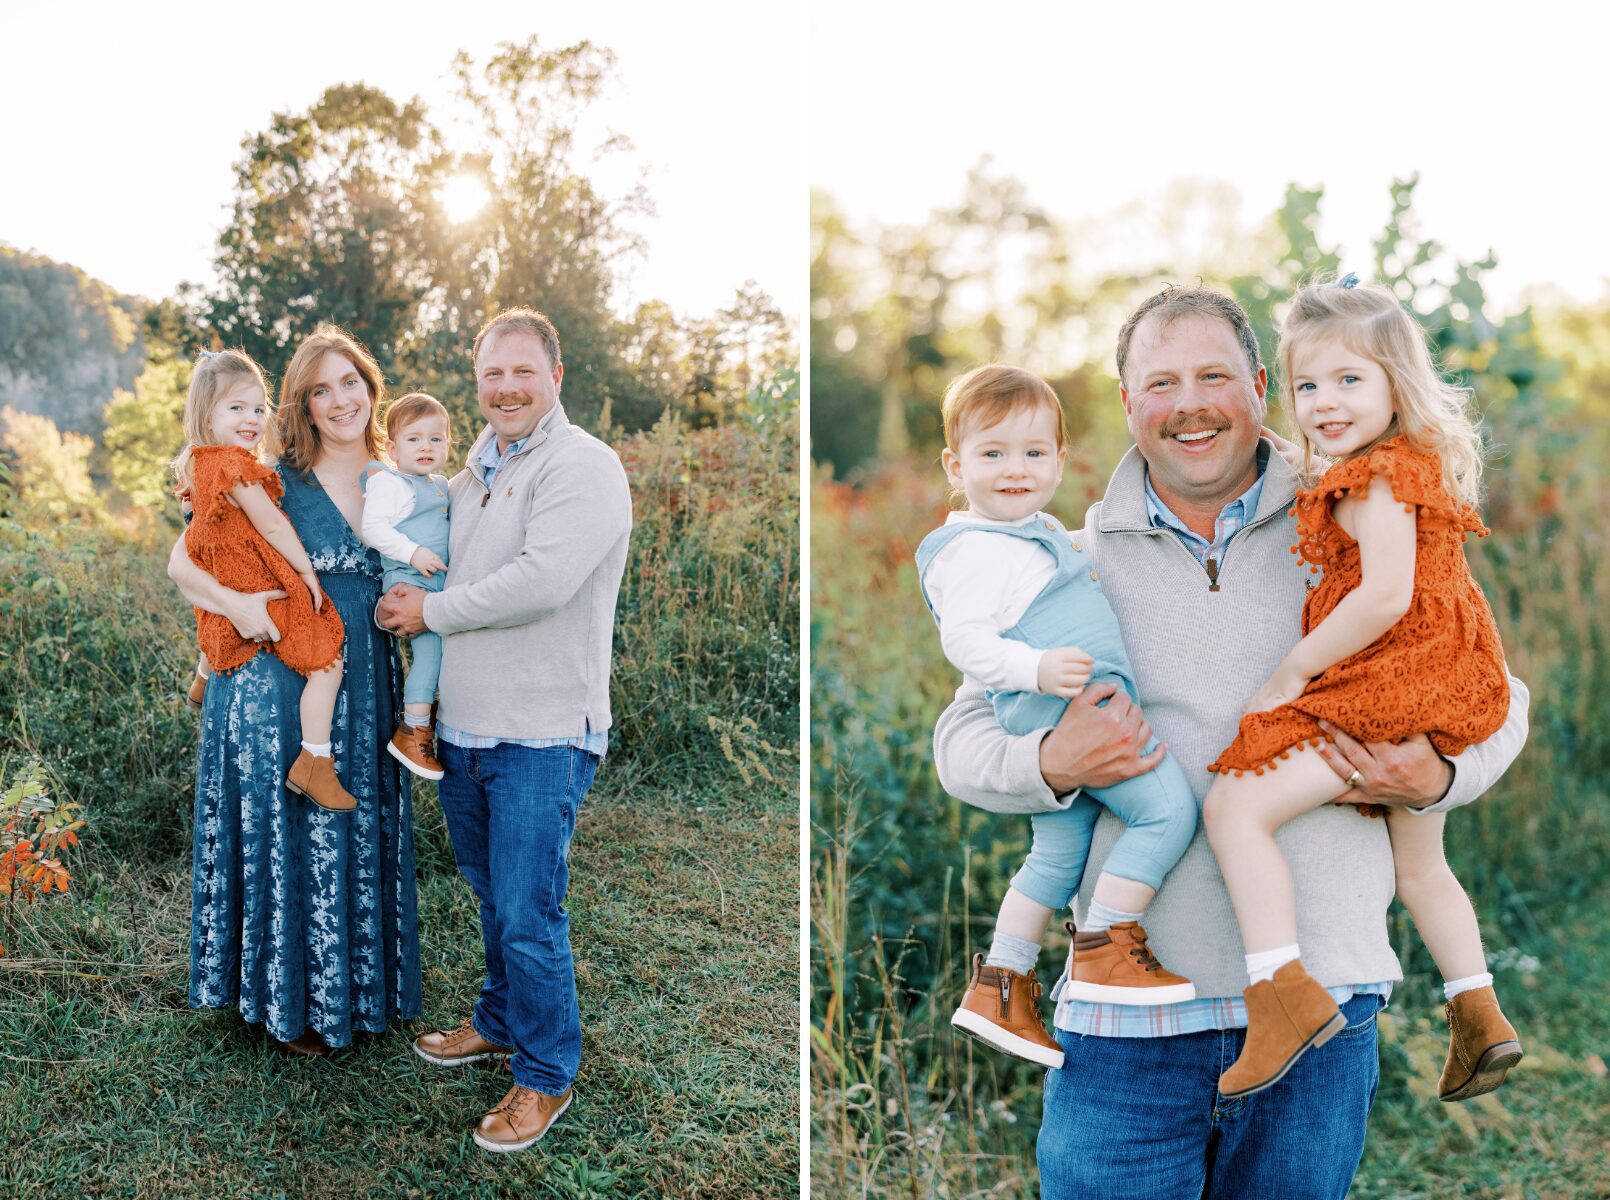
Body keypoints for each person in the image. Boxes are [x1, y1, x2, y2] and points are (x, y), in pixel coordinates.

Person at [931, 284, 1529, 1199]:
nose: (1191, 403)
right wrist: (1051, 765)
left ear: (1259, 386)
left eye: (1215, 374)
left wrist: (1438, 773)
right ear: (1128, 404)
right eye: (1160, 382)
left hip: (1321, 1003)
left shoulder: (1356, 516)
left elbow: (1486, 684)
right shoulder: (1067, 556)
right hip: (1127, 1020)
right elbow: (962, 739)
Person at [1203, 276, 1521, 1101]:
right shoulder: (1410, 468)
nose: (1324, 403)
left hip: (1390, 687)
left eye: (1350, 381)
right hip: (1442, 683)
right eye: (1309, 385)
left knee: (1235, 806)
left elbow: (1384, 595)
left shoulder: (1376, 477)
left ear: (1395, 385)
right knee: (1419, 865)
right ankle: (1478, 1012)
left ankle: (1282, 991)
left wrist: (1293, 670)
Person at [378, 307, 631, 1153]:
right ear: (476, 382)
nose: (507, 387)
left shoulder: (582, 465)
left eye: (523, 371)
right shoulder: (467, 475)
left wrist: (431, 610)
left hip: (543, 731)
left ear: (556, 376)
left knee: (528, 909)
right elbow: (413, 543)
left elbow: (544, 582)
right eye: (493, 374)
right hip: (468, 730)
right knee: (491, 895)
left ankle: (546, 1073)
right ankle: (495, 1020)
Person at [916, 364, 1197, 1071]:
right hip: (1065, 706)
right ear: (956, 464)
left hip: (1062, 699)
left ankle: (1001, 983)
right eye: (993, 453)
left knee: (1056, 853)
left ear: (1060, 460)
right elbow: (965, 642)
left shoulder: (1035, 536)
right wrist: (1036, 673)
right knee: (1167, 812)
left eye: (1035, 453)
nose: (1016, 470)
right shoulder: (977, 548)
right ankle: (1105, 943)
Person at [168, 325, 422, 1057]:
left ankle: (359, 989)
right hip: (281, 663)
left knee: (352, 817)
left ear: (370, 389)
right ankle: (293, 1002)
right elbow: (182, 561)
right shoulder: (274, 470)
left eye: (350, 383)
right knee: (295, 825)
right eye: (320, 389)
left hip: (365, 669)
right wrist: (238, 607)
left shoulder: (399, 473)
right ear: (301, 404)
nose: (339, 400)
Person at [173, 348, 354, 812]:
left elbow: (203, 537)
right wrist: (306, 571)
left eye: (257, 408)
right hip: (258, 583)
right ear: (206, 415)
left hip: (230, 576)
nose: (252, 419)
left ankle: (203, 672)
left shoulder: (198, 464)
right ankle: (315, 760)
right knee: (326, 660)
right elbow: (272, 525)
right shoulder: (236, 467)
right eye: (237, 408)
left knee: (220, 619)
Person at [358, 392, 453, 781]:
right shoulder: (391, 483)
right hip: (409, 580)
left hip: (435, 584)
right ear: (393, 448)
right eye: (414, 439)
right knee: (430, 653)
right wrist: (413, 554)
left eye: (436, 438)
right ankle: (412, 731)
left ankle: (427, 719)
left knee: (442, 655)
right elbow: (372, 528)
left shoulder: (439, 485)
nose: (426, 447)